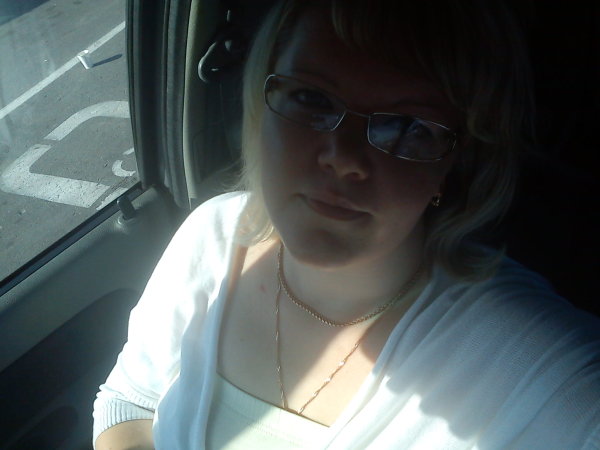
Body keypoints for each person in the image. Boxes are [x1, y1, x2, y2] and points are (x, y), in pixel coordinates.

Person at [93, 0, 600, 448]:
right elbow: (130, 399)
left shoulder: (535, 362)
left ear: (454, 162)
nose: (343, 158)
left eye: (407, 126)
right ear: (260, 107)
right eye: (312, 99)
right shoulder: (213, 234)